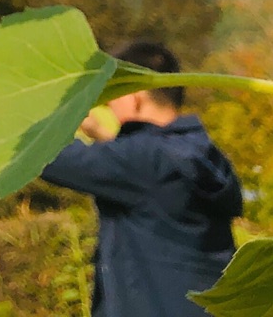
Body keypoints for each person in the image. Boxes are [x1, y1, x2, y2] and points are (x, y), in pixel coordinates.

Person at [41, 40, 243, 316]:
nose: (109, 106)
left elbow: (51, 159)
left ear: (134, 96)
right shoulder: (199, 152)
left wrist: (55, 115)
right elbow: (149, 176)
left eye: (112, 95)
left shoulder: (144, 162)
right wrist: (102, 134)